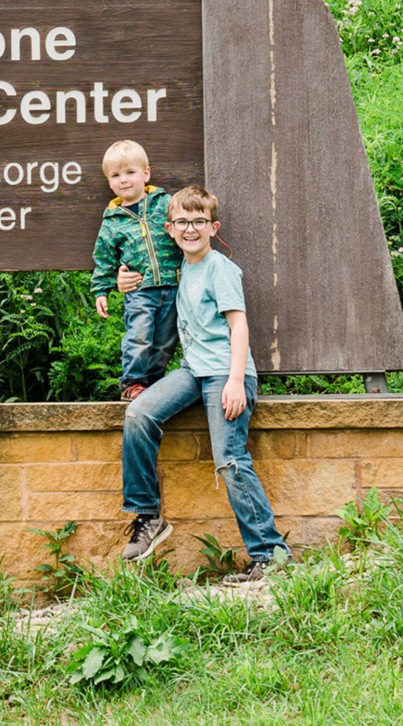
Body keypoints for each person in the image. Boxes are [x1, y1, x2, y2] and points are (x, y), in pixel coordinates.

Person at [117, 185, 289, 584]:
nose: (190, 229)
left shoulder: (220, 269)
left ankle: (271, 553)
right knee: (139, 414)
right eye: (182, 222)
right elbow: (141, 268)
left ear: (213, 227)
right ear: (170, 229)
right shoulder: (180, 268)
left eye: (198, 222)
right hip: (193, 371)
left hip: (227, 374)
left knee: (229, 461)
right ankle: (148, 515)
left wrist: (233, 382)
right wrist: (123, 279)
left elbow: (238, 325)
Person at [91, 139, 179, 403]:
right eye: (116, 175)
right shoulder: (112, 220)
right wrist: (101, 289)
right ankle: (132, 382)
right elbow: (104, 258)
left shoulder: (165, 204)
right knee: (139, 335)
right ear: (109, 182)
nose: (124, 180)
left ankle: (152, 383)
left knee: (165, 341)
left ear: (146, 174)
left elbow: (189, 216)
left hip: (173, 286)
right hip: (140, 290)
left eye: (130, 172)